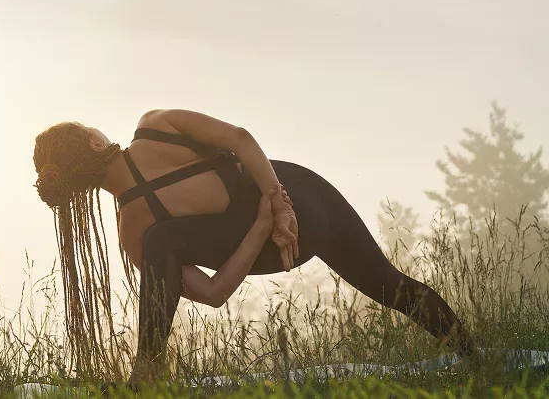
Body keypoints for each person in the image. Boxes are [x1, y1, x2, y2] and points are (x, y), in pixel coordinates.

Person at [32, 109, 477, 384]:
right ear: (94, 142)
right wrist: (273, 213)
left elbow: (214, 293)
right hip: (298, 204)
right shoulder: (154, 127)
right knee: (390, 285)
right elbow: (240, 138)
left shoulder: (134, 235)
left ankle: (146, 369)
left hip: (277, 221)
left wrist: (274, 215)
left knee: (159, 238)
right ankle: (475, 360)